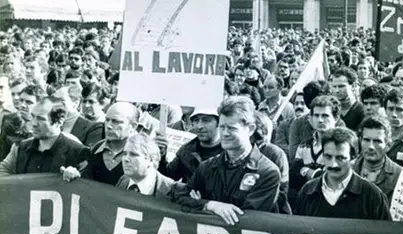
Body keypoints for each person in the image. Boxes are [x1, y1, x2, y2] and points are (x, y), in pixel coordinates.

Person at [172, 96, 282, 225]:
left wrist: (199, 205)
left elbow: (247, 219)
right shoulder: (207, 167)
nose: (224, 133)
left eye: (231, 128)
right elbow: (180, 197)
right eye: (222, 127)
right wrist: (210, 205)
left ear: (250, 129)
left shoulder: (267, 172)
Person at [294, 127, 391, 220]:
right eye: (328, 157)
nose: (333, 164)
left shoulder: (372, 196)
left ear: (354, 158)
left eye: (340, 158)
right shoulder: (308, 191)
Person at [0, 97, 89, 176]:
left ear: (59, 121)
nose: (34, 123)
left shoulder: (78, 152)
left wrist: (77, 176)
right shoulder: (20, 148)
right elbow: (3, 172)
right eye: (33, 117)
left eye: (41, 119)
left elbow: (90, 186)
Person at [160, 107, 222, 182]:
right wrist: (161, 156)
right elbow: (168, 177)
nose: (199, 126)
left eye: (206, 120)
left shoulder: (229, 152)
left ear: (218, 123)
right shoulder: (187, 150)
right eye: (196, 120)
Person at [352, 116, 402, 200]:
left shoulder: (399, 175)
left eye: (377, 141)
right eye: (366, 140)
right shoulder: (349, 169)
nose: (371, 147)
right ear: (360, 141)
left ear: (388, 145)